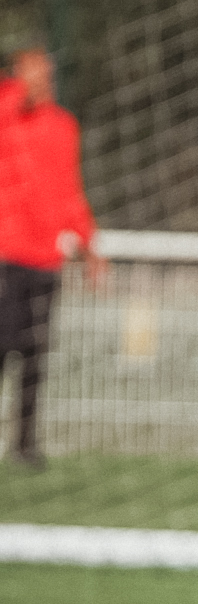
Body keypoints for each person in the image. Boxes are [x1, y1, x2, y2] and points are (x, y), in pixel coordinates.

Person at [0, 47, 104, 469]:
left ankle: (25, 443)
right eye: (34, 72)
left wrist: (89, 247)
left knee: (35, 352)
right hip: (5, 256)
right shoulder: (6, 114)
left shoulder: (63, 127)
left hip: (45, 261)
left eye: (48, 72)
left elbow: (70, 192)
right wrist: (17, 89)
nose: (44, 80)